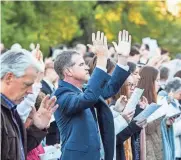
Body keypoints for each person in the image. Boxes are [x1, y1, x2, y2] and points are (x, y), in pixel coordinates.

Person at [53, 30, 131, 160]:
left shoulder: (83, 90)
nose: (87, 68)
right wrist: (101, 59)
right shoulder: (61, 96)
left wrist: (122, 58)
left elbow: (109, 89)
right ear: (68, 71)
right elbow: (88, 98)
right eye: (81, 64)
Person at [0, 49, 58, 160]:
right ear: (9, 78)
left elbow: (18, 149)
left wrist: (37, 128)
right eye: (27, 84)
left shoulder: (11, 109)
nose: (31, 91)